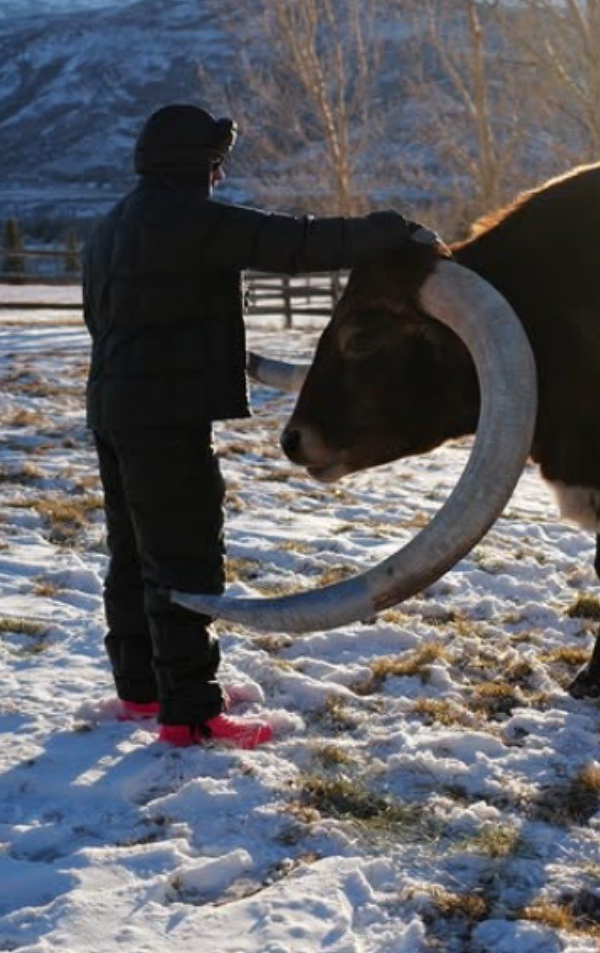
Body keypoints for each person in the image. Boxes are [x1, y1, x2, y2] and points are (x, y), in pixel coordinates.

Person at [82, 102, 437, 749]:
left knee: (132, 553)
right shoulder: (191, 219)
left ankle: (142, 689)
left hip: (113, 409)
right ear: (197, 163)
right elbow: (298, 243)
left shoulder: (110, 227)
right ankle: (191, 714)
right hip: (167, 418)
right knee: (183, 558)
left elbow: (97, 320)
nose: (219, 174)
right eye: (216, 162)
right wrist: (392, 231)